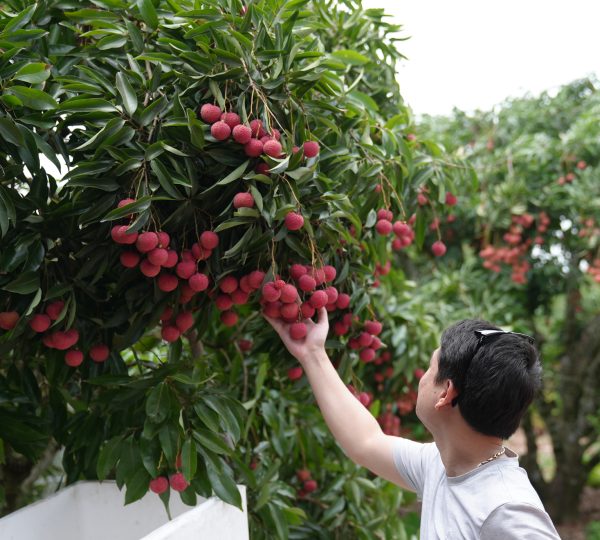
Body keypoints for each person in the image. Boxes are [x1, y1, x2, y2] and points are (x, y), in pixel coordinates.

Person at [265, 309, 561, 539]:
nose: (421, 378)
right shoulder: (443, 465)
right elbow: (366, 443)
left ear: (445, 392)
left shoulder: (505, 509)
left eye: (429, 368)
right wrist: (312, 354)